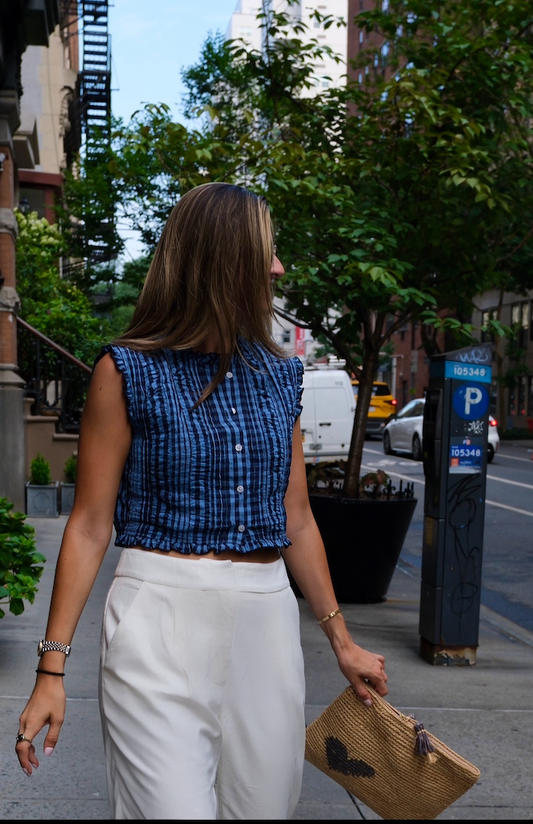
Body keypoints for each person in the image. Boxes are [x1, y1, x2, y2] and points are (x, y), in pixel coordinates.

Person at [15, 182, 388, 820]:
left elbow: (296, 519)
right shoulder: (126, 370)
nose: (276, 269)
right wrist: (52, 671)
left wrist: (342, 641)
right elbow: (87, 526)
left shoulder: (280, 377)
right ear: (222, 263)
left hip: (266, 623)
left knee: (262, 811)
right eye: (265, 253)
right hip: (155, 620)